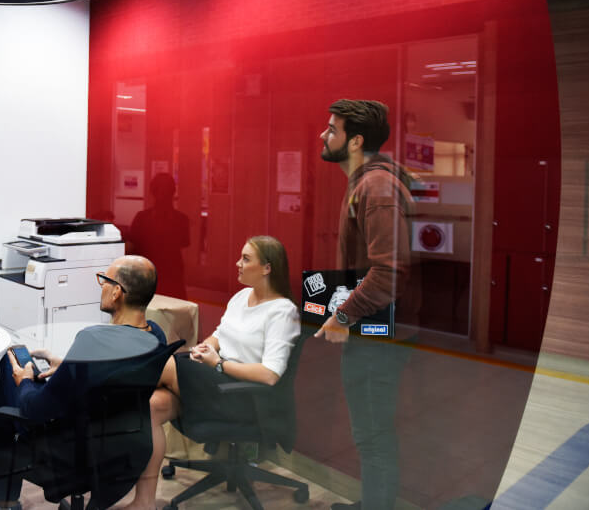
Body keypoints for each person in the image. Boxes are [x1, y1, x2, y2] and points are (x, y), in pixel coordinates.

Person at [123, 236, 300, 510]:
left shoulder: (283, 312)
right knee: (152, 406)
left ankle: (96, 388)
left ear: (267, 268)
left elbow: (270, 375)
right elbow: (221, 334)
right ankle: (144, 502)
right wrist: (206, 347)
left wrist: (218, 364)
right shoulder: (242, 297)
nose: (238, 264)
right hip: (215, 380)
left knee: (159, 363)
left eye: (246, 259)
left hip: (242, 397)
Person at [0, 255, 167, 510]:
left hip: (70, 448)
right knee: (28, 368)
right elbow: (110, 378)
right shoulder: (156, 336)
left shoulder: (93, 339)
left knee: (11, 361)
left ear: (116, 293)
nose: (100, 285)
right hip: (123, 447)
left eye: (104, 280)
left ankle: (4, 498)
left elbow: (36, 409)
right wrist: (66, 366)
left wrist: (24, 381)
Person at [313, 99, 416, 510]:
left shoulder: (376, 187)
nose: (323, 135)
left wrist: (342, 315)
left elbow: (390, 271)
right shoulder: (366, 183)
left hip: (376, 334)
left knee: (372, 433)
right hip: (372, 328)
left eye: (331, 129)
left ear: (355, 141)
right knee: (369, 430)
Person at [127, 173, 190, 299]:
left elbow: (130, 247)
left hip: (146, 275)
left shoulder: (142, 218)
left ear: (152, 192)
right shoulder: (182, 219)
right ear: (173, 192)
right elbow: (184, 244)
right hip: (173, 276)